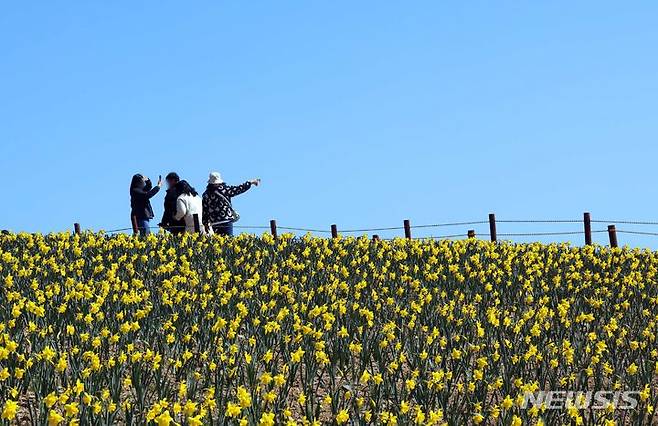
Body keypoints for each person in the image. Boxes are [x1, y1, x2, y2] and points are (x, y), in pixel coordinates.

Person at [203, 171, 260, 236]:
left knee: (219, 243)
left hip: (214, 223)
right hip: (226, 221)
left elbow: (205, 210)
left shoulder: (206, 194)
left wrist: (205, 223)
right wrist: (250, 182)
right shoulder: (224, 190)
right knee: (228, 242)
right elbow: (239, 189)